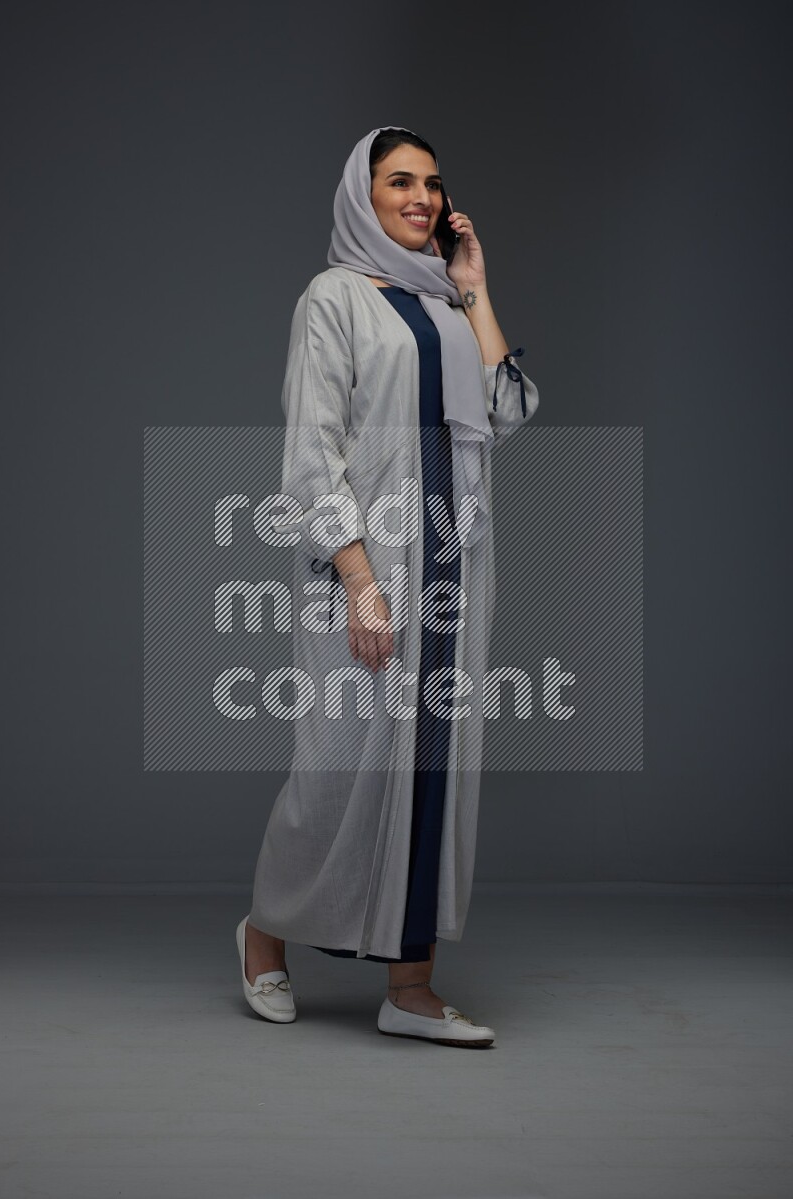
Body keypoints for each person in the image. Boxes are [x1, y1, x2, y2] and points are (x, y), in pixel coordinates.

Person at [236, 126, 539, 1047]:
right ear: (359, 197)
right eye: (398, 182)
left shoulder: (446, 305)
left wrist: (476, 288)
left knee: (436, 773)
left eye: (432, 185)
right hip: (364, 566)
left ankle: (409, 989)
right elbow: (309, 453)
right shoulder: (334, 298)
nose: (421, 198)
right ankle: (261, 936)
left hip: (453, 566)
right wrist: (361, 582)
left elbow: (508, 408)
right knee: (337, 764)